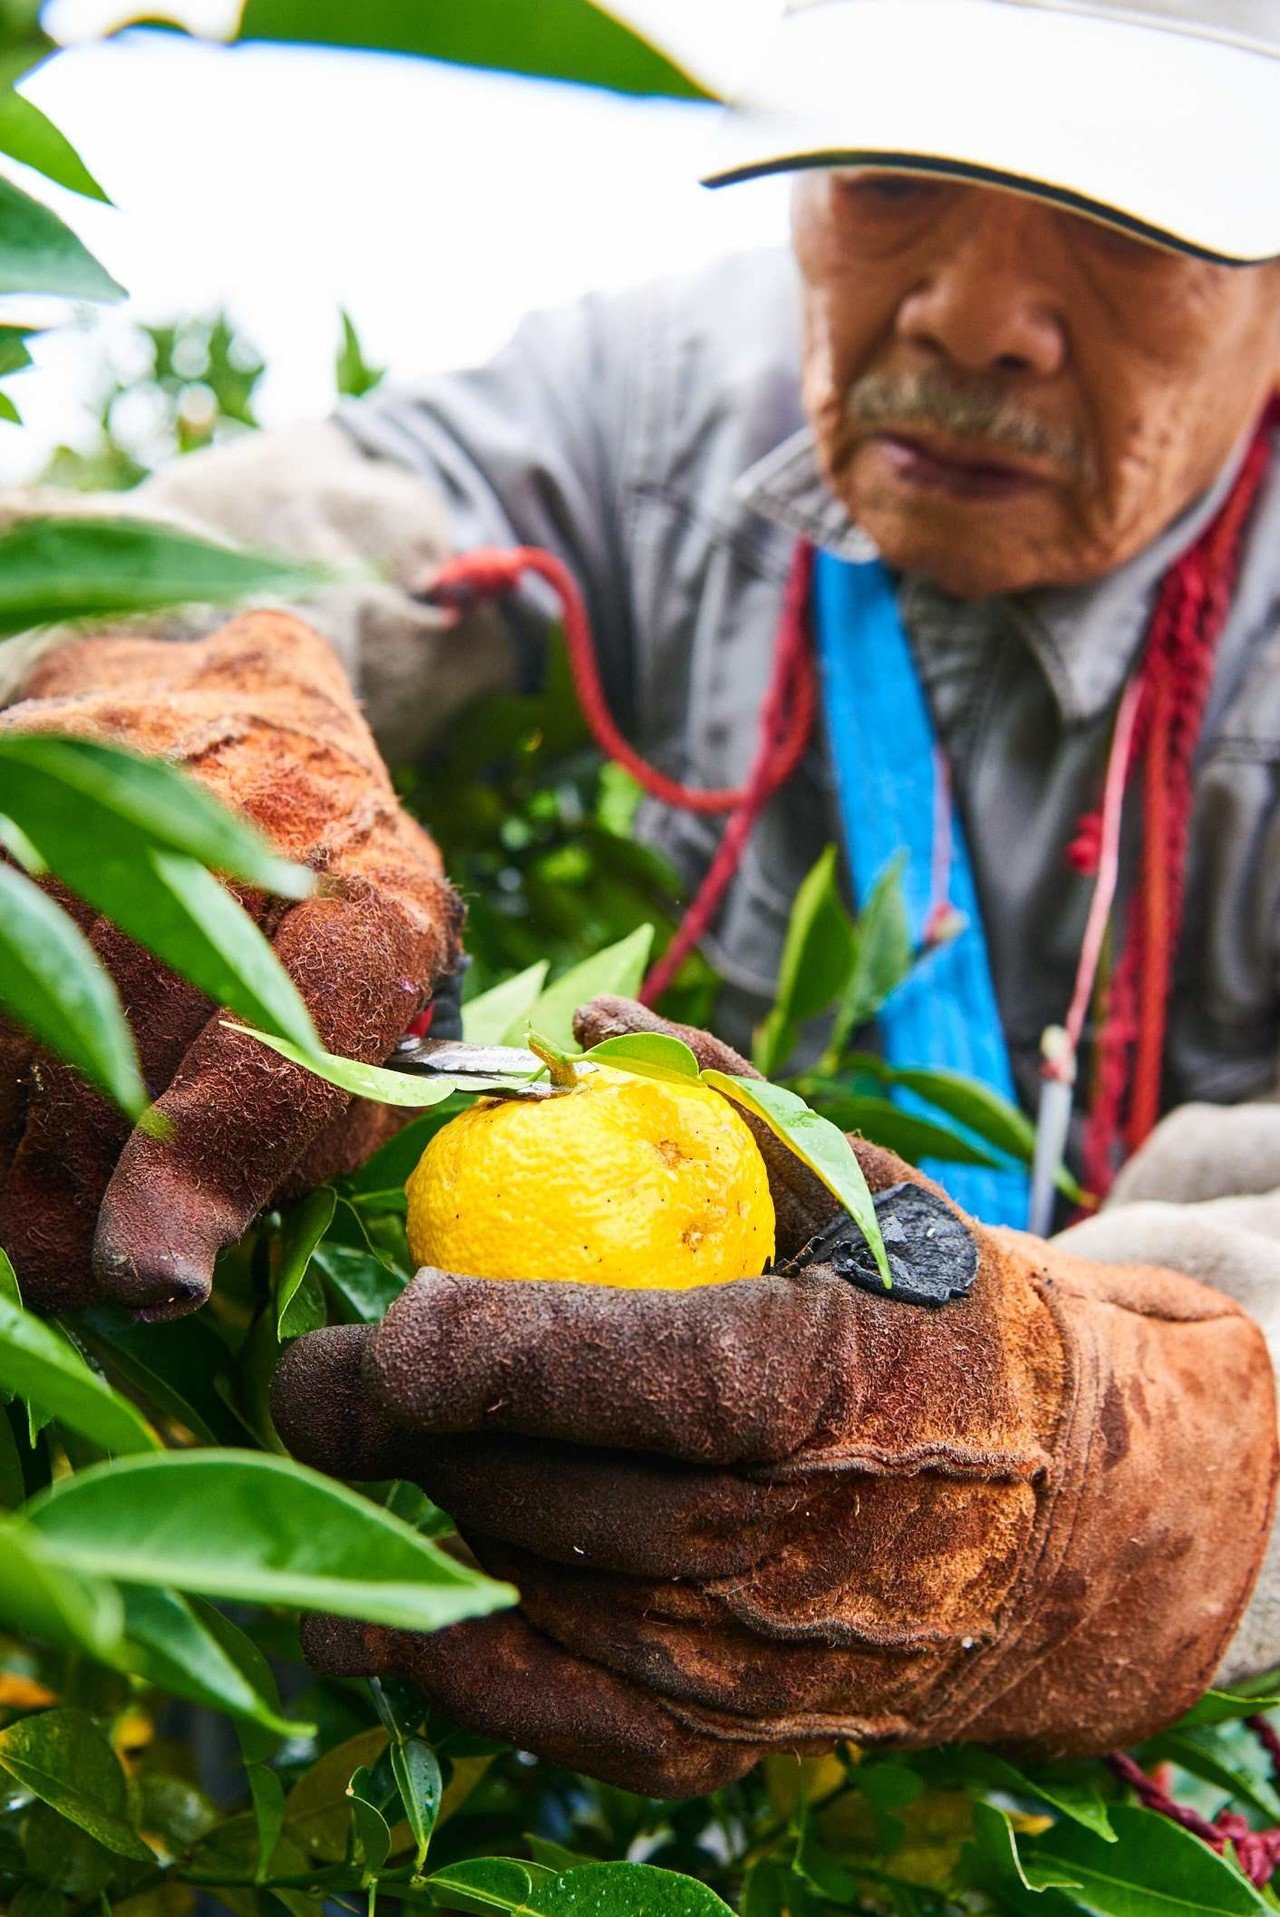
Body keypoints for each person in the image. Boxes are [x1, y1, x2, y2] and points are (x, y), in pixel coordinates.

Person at [5, 0, 1280, 1788]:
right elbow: (284, 533)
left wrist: (1156, 1467)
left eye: (1132, 227)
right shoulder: (678, 393)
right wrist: (179, 718)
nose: (974, 315)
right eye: (893, 183)